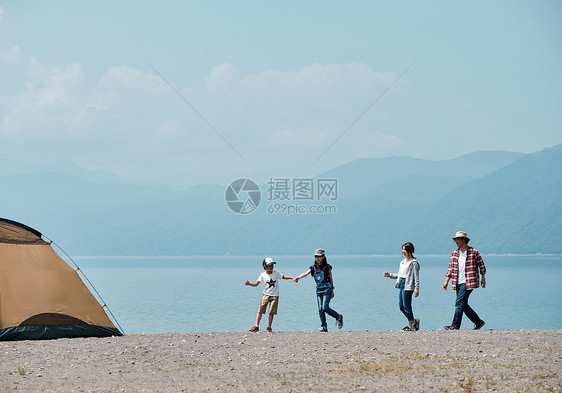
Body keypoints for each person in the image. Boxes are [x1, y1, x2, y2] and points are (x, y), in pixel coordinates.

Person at [442, 231, 486, 330]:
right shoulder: (454, 253)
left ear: (464, 240)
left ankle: (455, 325)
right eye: (455, 239)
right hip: (457, 282)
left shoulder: (474, 252)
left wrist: (483, 278)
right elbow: (450, 269)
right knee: (463, 304)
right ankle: (478, 322)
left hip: (469, 281)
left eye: (458, 239)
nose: (456, 241)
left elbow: (481, 266)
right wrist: (446, 282)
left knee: (459, 302)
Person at [294, 249, 343, 332]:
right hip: (319, 290)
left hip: (328, 289)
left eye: (319, 256)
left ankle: (338, 317)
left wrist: (332, 290)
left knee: (325, 307)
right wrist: (298, 277)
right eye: (316, 256)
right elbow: (306, 273)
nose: (317, 258)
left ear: (323, 257)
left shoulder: (327, 267)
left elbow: (331, 278)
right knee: (320, 309)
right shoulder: (313, 267)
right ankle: (324, 326)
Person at [245, 257, 294, 332]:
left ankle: (269, 327)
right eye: (269, 265)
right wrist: (249, 284)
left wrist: (292, 277)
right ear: (265, 267)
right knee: (260, 310)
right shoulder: (262, 275)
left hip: (275, 296)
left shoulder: (276, 272)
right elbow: (256, 284)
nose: (271, 267)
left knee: (271, 312)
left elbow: (283, 276)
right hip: (265, 295)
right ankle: (256, 326)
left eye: (272, 265)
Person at [383, 242, 420, 331]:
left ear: (410, 250)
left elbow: (416, 277)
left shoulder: (414, 263)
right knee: (401, 306)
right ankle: (414, 321)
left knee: (407, 306)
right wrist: (389, 275)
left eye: (404, 249)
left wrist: (416, 289)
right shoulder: (402, 262)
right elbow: (400, 275)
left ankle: (410, 325)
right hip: (401, 284)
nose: (402, 251)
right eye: (402, 249)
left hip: (409, 285)